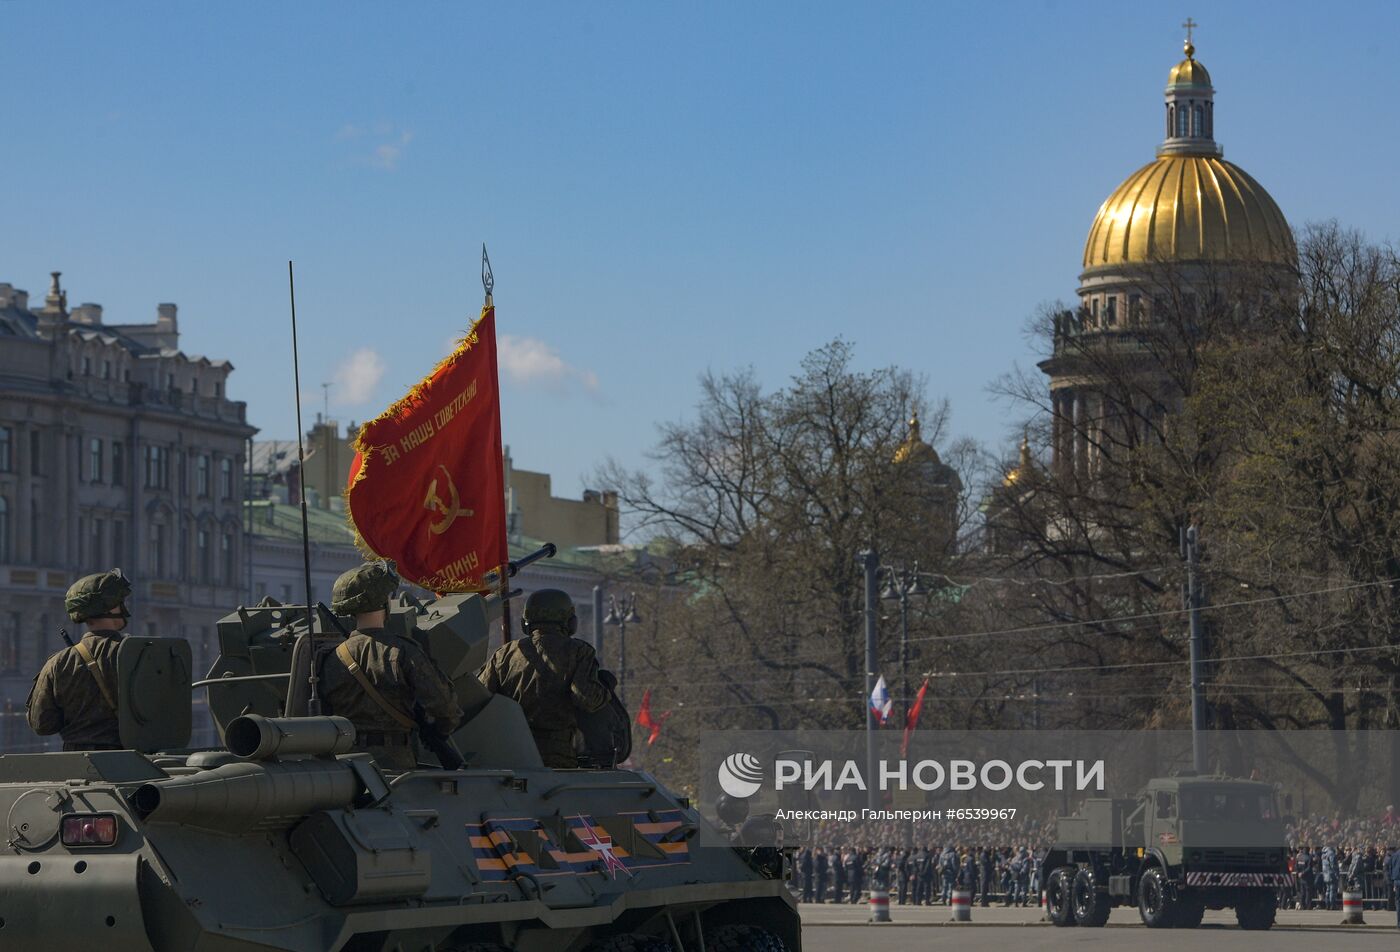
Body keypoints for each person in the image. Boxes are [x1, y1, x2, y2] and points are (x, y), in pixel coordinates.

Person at [320, 561, 463, 771]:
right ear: (384, 602)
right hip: (395, 765)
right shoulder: (403, 652)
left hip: (345, 767)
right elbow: (446, 706)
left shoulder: (332, 657)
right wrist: (437, 732)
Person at [478, 588, 609, 768]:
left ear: (526, 622)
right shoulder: (578, 651)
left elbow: (480, 698)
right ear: (570, 622)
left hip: (511, 753)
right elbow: (586, 698)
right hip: (558, 756)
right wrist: (605, 690)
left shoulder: (505, 654)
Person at [27, 570, 133, 750]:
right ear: (111, 607)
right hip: (138, 761)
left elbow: (42, 724)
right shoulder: (140, 652)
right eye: (119, 601)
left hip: (78, 764)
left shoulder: (59, 663)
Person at [1385, 844, 1400, 930]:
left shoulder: (1394, 856)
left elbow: (1390, 869)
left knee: (1398, 903)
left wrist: (1393, 880)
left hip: (1396, 881)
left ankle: (1399, 923)